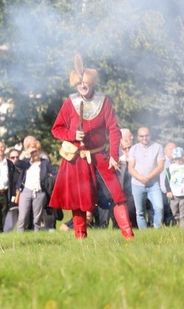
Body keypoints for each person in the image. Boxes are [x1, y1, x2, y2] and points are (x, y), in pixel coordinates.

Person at [49, 57, 134, 239]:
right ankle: (81, 238)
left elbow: (113, 129)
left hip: (100, 156)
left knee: (117, 194)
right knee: (78, 200)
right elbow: (56, 129)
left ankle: (128, 235)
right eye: (79, 83)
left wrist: (113, 155)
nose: (82, 86)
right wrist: (72, 135)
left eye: (85, 83)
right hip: (77, 159)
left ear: (91, 82)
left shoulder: (104, 101)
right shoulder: (69, 103)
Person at [15, 138, 56, 232]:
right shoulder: (26, 162)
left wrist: (49, 181)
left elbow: (55, 172)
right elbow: (17, 163)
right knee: (22, 217)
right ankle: (19, 235)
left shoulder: (44, 163)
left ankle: (36, 234)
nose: (34, 154)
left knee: (37, 218)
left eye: (35, 151)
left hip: (39, 192)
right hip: (26, 191)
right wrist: (25, 153)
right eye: (32, 152)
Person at [128, 127, 165, 229]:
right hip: (137, 184)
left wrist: (148, 177)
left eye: (146, 135)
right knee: (140, 211)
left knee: (159, 208)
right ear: (138, 137)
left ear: (150, 135)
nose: (144, 138)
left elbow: (160, 166)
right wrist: (140, 178)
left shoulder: (158, 147)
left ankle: (157, 230)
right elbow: (130, 168)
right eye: (142, 136)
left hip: (153, 184)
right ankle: (144, 234)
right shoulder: (134, 149)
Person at [164, 147, 184, 229]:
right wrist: (168, 191)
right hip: (173, 195)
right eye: (176, 158)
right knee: (174, 212)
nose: (177, 160)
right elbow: (167, 180)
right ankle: (175, 226)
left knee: (183, 213)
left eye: (179, 158)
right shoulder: (170, 168)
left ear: (183, 157)